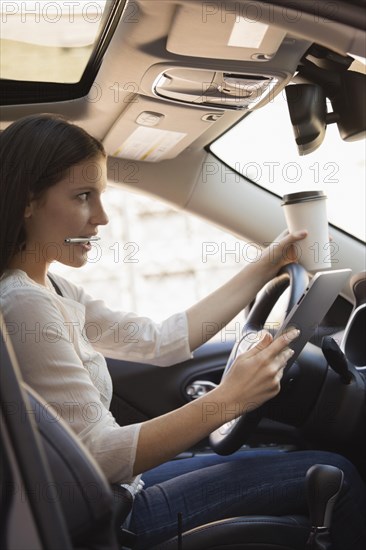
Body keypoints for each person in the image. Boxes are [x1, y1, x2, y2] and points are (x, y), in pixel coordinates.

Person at [1, 114, 365, 550]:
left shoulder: (51, 286)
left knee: (292, 460)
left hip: (115, 492)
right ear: (27, 200)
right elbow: (101, 456)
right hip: (112, 516)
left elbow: (161, 339)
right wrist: (229, 399)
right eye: (83, 197)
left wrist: (267, 264)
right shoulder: (23, 304)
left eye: (100, 196)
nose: (101, 217)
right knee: (334, 473)